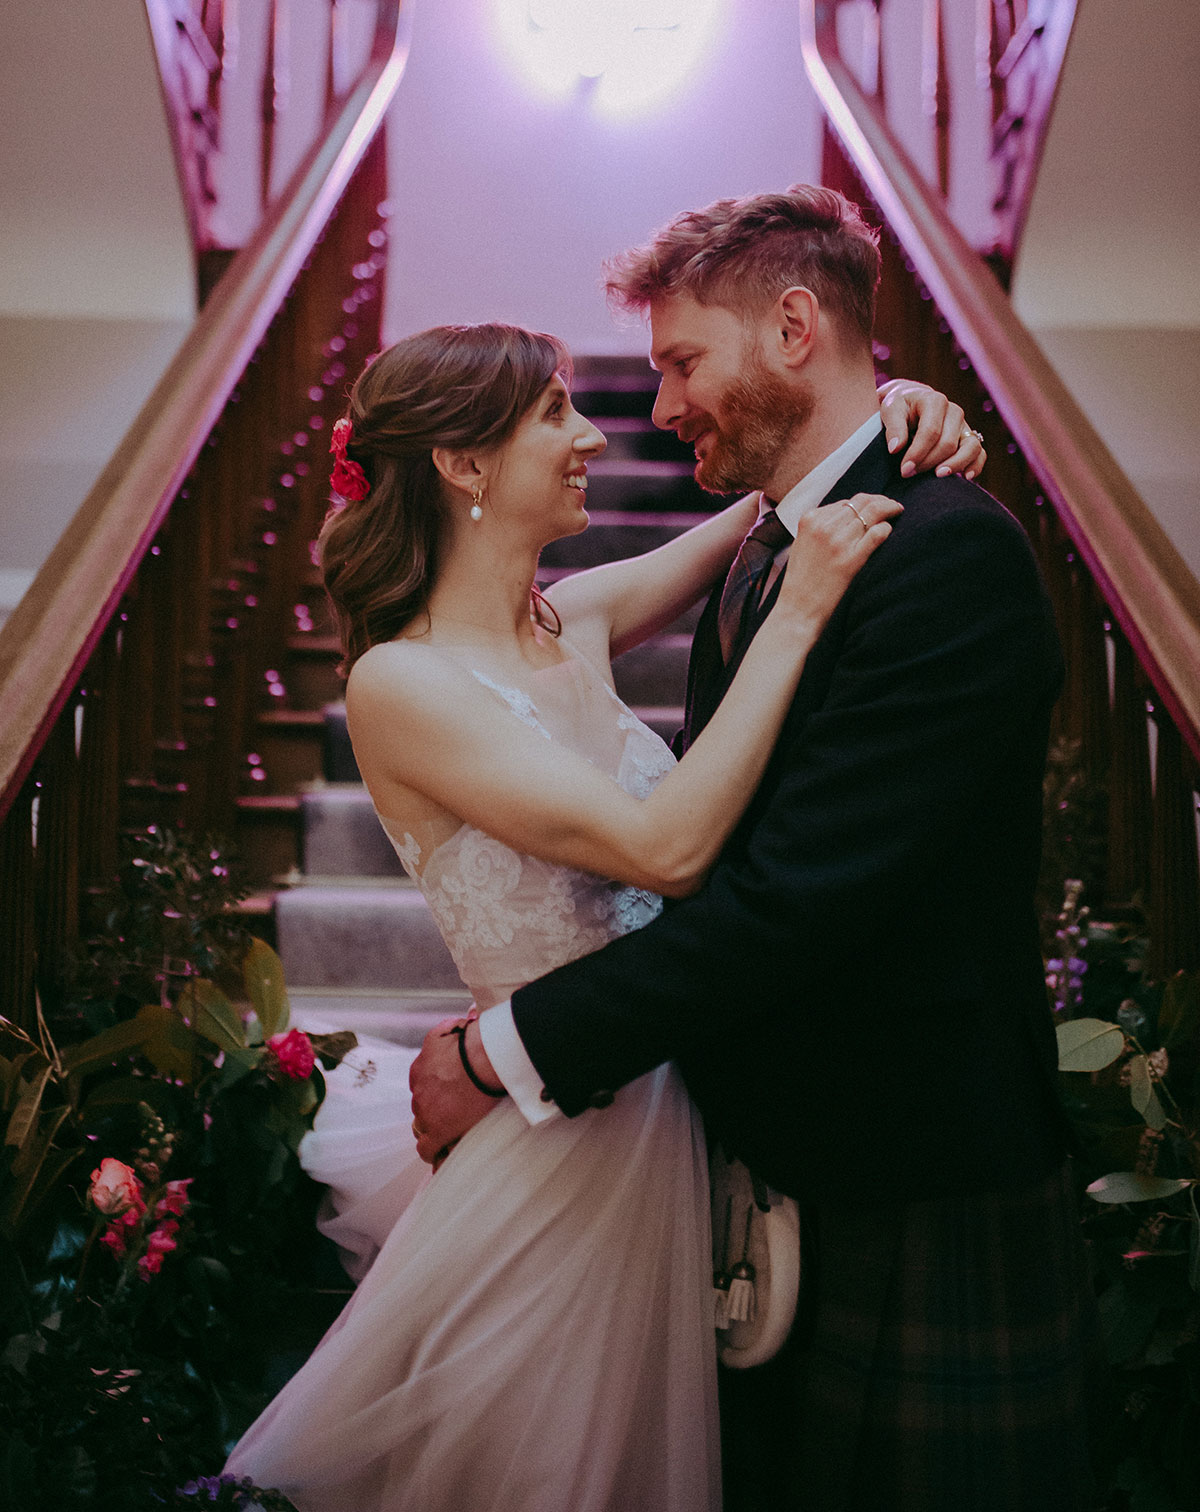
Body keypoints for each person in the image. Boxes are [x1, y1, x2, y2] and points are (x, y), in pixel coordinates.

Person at [411, 187, 1100, 1512]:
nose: (659, 407)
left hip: (917, 1174)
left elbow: (791, 903)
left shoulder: (949, 560)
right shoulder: (776, 550)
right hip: (784, 1161)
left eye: (682, 361)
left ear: (794, 327)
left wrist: (506, 1054)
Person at [226, 310, 978, 1511]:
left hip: (663, 1115)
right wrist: (798, 616)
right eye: (554, 415)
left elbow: (785, 496)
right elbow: (667, 851)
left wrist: (906, 412)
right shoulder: (401, 684)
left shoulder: (562, 620)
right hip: (561, 1153)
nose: (591, 435)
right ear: (464, 466)